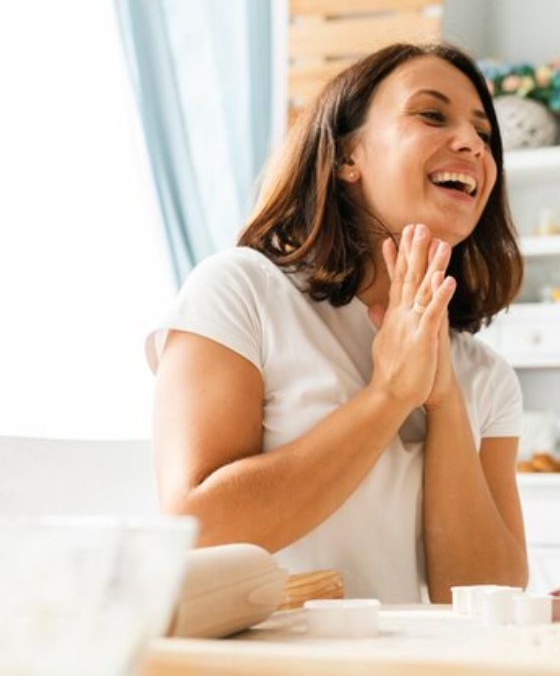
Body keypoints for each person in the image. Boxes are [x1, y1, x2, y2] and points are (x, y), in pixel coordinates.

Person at [146, 43, 528, 604]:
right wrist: (390, 394)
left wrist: (445, 401)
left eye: (485, 135)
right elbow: (197, 532)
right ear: (347, 156)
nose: (473, 144)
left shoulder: (484, 376)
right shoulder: (241, 292)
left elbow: (487, 599)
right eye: (431, 114)